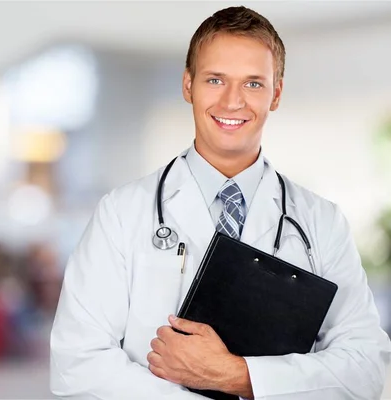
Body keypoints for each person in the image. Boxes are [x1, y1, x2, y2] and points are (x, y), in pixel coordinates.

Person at [50, 5, 391, 400]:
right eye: (215, 79)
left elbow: (366, 368)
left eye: (253, 84)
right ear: (187, 85)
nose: (233, 102)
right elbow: (77, 365)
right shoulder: (122, 213)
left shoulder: (322, 221)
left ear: (276, 93)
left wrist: (236, 375)